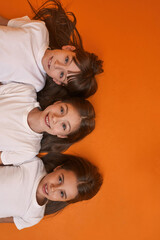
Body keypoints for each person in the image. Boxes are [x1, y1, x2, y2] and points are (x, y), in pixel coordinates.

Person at [0, 0, 103, 100]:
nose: (57, 64)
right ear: (68, 48)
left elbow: (4, 88)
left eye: (62, 74)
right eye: (66, 60)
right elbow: (5, 22)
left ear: (57, 81)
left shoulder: (36, 83)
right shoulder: (39, 29)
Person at [0, 152, 103, 230]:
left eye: (62, 193)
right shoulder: (34, 164)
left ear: (64, 201)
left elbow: (2, 219)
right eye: (60, 179)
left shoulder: (34, 216)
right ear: (58, 168)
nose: (53, 188)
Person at [0, 82, 95, 165]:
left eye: (64, 126)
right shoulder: (25, 93)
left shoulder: (29, 150)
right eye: (62, 110)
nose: (55, 118)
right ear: (57, 103)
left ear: (61, 135)